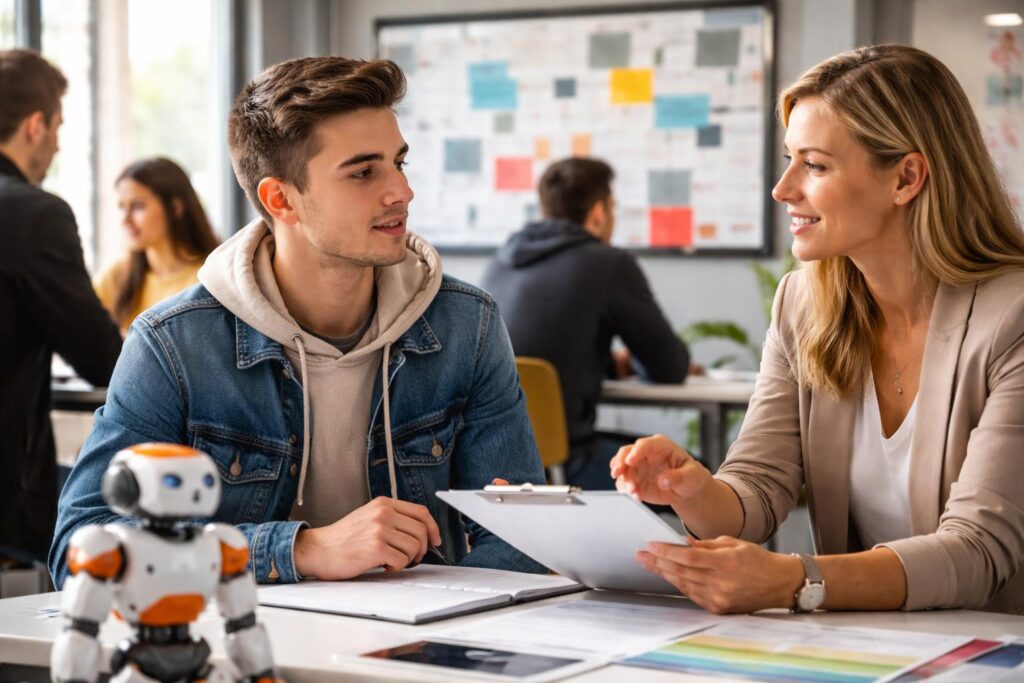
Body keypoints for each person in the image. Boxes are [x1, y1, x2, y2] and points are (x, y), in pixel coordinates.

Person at [50, 56, 546, 588]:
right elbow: (83, 546)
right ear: (280, 199)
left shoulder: (466, 325)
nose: (401, 192)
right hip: (245, 650)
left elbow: (524, 535)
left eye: (399, 162)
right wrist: (301, 549)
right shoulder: (174, 344)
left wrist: (437, 628)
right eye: (363, 171)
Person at [613, 45, 1024, 615]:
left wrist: (794, 579)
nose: (783, 189)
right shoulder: (803, 302)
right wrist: (695, 489)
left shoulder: (1013, 319)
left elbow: (979, 550)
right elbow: (757, 486)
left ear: (906, 177)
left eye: (815, 164)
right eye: (789, 159)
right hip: (868, 647)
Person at [482, 157, 689, 489]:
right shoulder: (608, 263)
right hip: (565, 467)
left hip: (493, 470)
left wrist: (606, 364)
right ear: (598, 213)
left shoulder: (501, 262)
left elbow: (541, 347)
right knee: (696, 474)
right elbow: (669, 368)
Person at [0, 49, 122, 564]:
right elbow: (102, 357)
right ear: (34, 126)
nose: (56, 144)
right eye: (57, 127)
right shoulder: (32, 214)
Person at [93, 157, 220, 333]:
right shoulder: (116, 277)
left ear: (175, 208)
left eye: (137, 206)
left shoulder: (212, 279)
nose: (125, 220)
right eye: (122, 207)